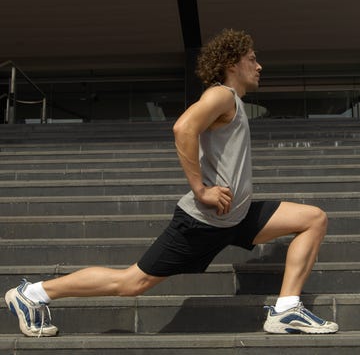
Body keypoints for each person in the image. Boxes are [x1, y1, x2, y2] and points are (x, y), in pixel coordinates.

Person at [5, 29, 338, 337]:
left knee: (313, 218)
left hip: (235, 217)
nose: (259, 65)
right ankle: (32, 294)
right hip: (204, 221)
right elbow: (183, 128)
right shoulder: (221, 95)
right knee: (131, 282)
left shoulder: (232, 102)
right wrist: (201, 189)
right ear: (231, 64)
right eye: (252, 58)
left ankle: (286, 310)